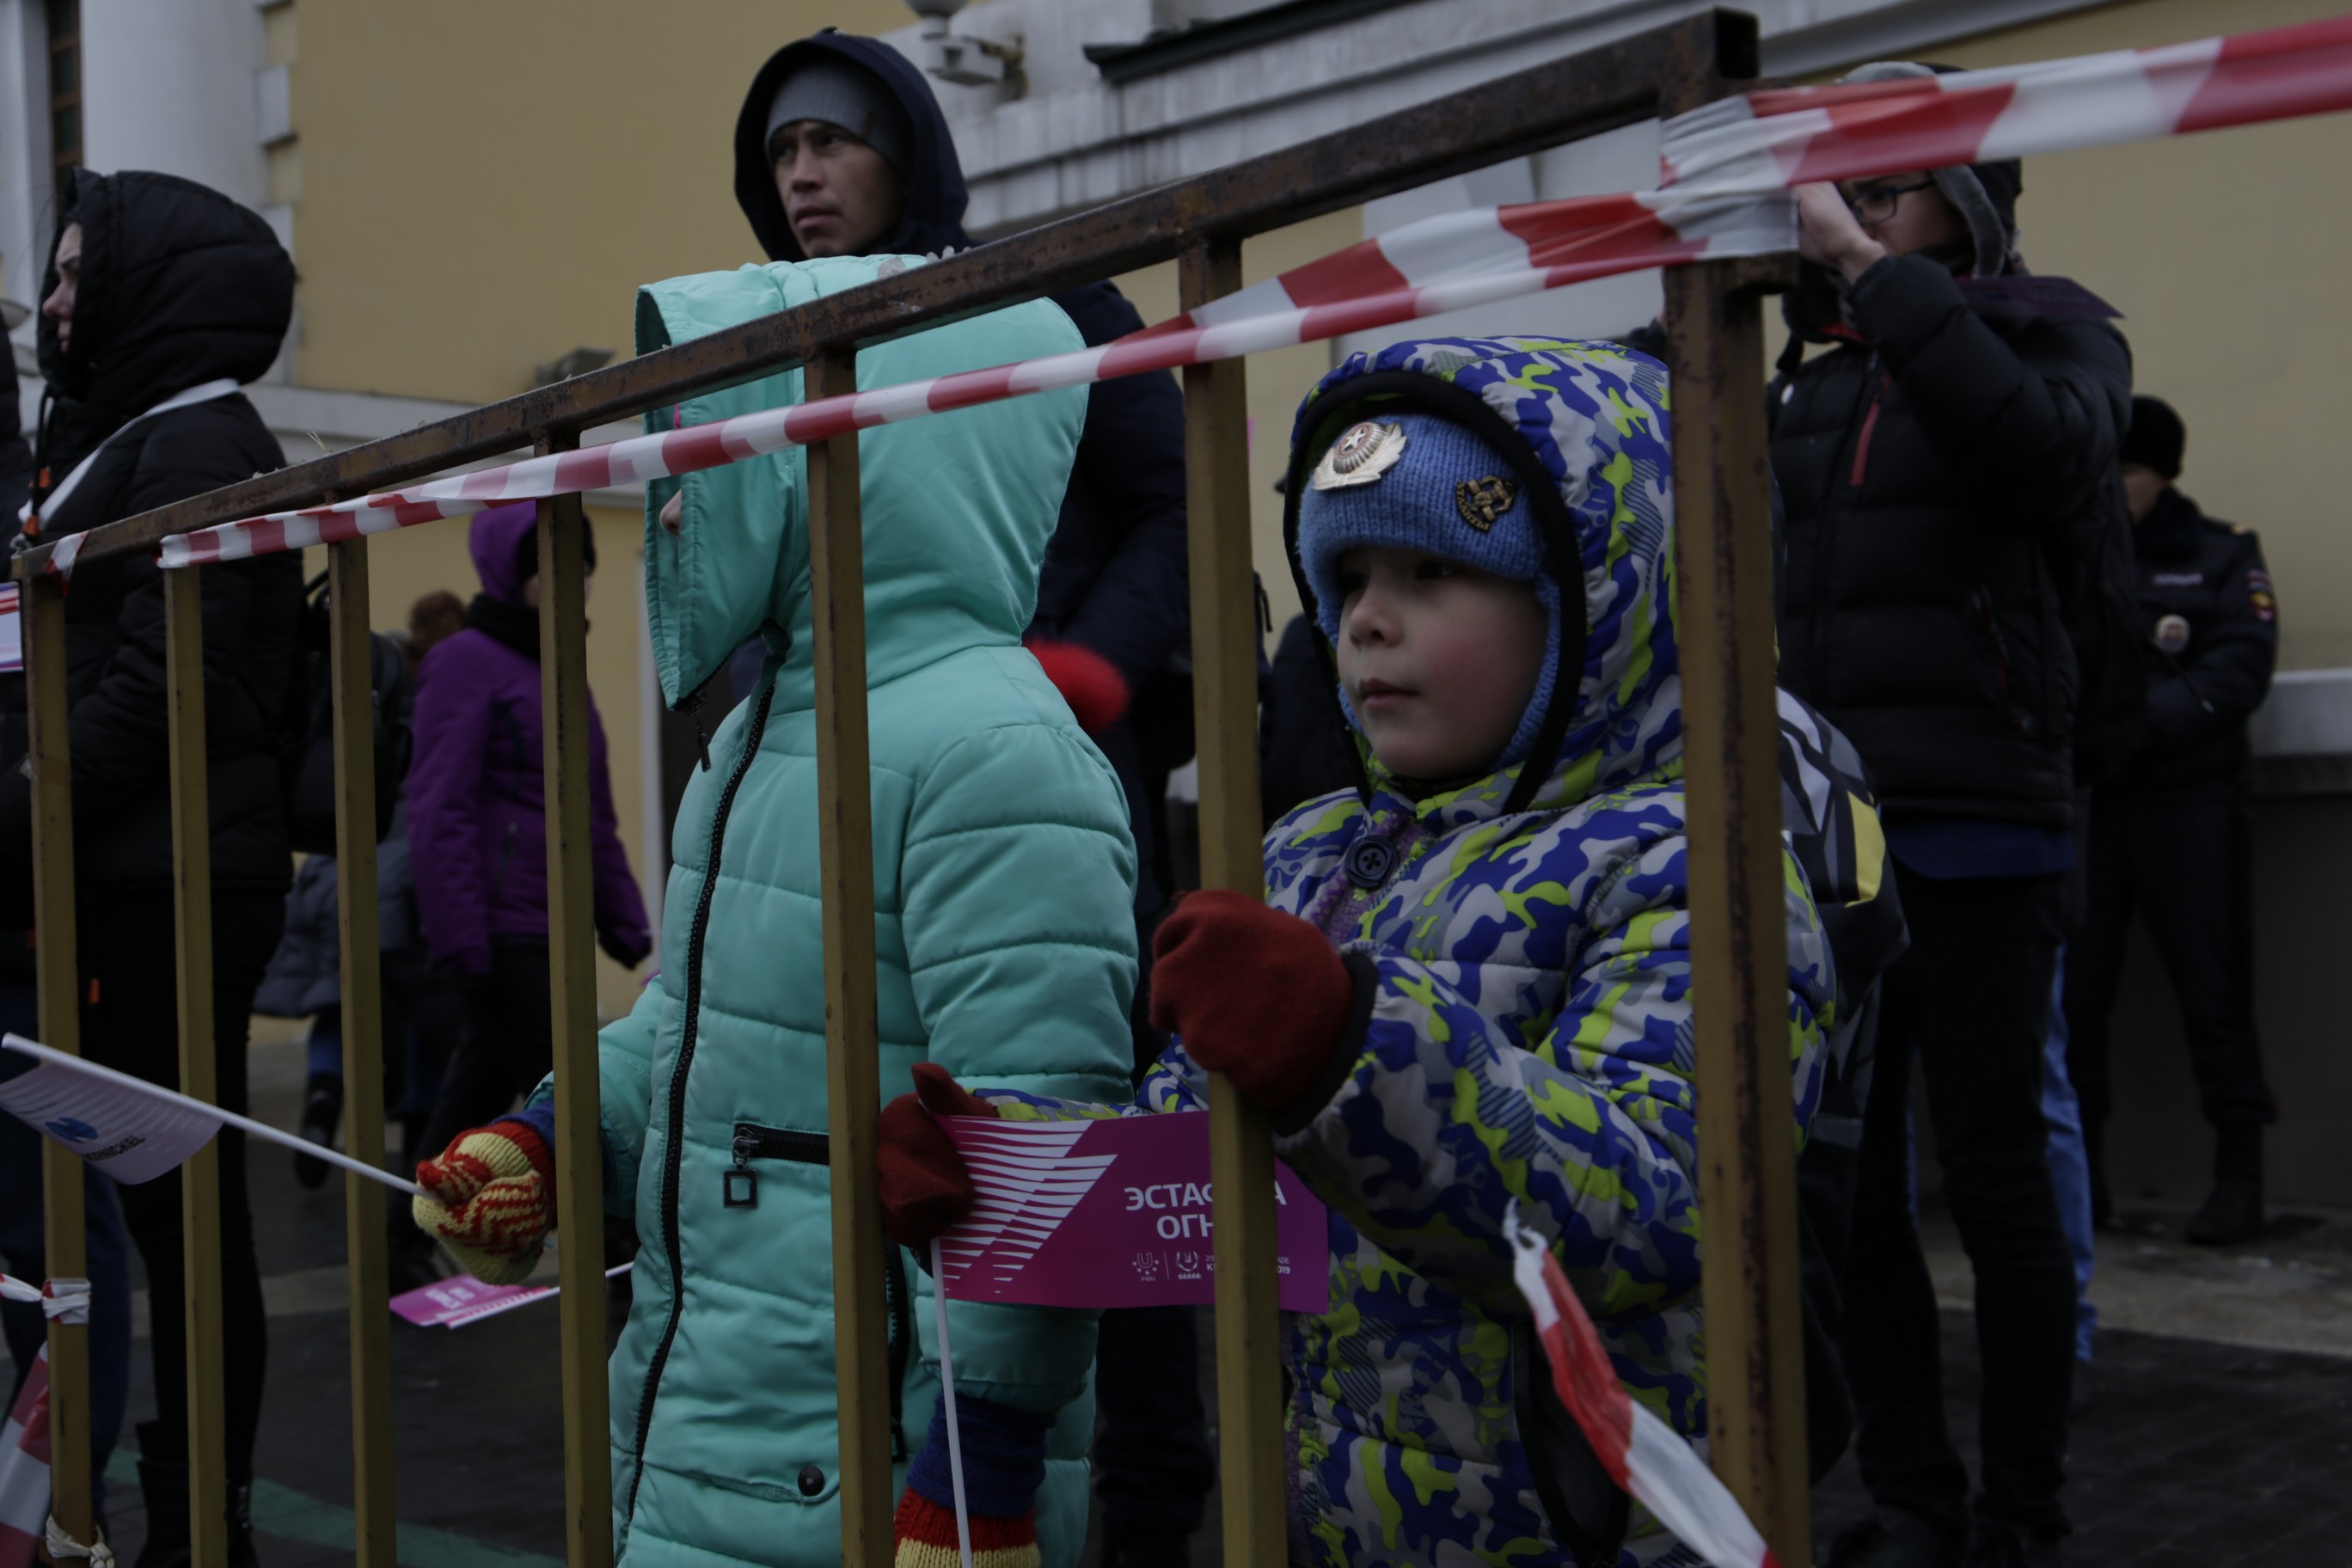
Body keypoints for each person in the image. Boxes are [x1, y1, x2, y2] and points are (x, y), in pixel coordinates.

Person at [882, 336, 1836, 1565]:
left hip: (1600, 1526)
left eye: (1435, 570)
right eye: (1349, 576)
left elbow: (1651, 1205)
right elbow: (1202, 1172)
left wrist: (1344, 1049)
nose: (1368, 620)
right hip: (1341, 1515)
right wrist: (1009, 1173)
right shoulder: (1314, 852)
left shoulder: (1692, 862)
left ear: (1600, 601)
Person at [411, 257, 1136, 1568]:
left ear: (852, 459)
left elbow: (1044, 1139)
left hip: (879, 1484)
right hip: (711, 1438)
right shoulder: (759, 732)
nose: (679, 498)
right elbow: (702, 1027)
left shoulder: (997, 749)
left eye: (724, 445)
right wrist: (548, 1140)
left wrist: (978, 1487)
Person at [729, 34, 1210, 1564]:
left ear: (909, 148)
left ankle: (1144, 1500)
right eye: (780, 151)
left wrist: (1091, 668)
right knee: (873, 1123)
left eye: (832, 140)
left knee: (1077, 1126)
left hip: (1039, 772)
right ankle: (891, 1477)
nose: (803, 174)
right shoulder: (775, 337)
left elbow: (1177, 498)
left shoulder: (1050, 297)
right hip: (848, 791)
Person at [1770, 60, 2134, 1568]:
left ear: (1969, 199)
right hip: (1836, 840)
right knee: (1856, 1196)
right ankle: (1915, 1500)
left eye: (1894, 180)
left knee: (1997, 1178)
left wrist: (1871, 273)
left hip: (1984, 819)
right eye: (1845, 182)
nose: (1859, 204)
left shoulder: (2056, 331)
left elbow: (2039, 454)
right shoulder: (1804, 377)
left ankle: (2023, 1512)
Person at [0, 168, 303, 1565]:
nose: (56, 301)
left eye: (77, 273)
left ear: (151, 288)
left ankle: (200, 1522)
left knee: (182, 1221)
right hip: (127, 876)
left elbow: (169, 685)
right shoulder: (134, 436)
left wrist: (20, 800)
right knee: (149, 1213)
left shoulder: (197, 442)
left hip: (169, 888)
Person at [2063, 395, 2277, 1246]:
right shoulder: (2071, 552)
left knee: (2214, 990)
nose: (2114, 487)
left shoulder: (2219, 555)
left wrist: (2134, 727)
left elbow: (2237, 670)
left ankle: (2240, 1178)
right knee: (2077, 999)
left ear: (2164, 474)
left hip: (2187, 804)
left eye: (2130, 471)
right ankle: (2082, 1184)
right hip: (2091, 804)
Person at [406, 503, 651, 1164]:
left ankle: (411, 1212)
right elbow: (438, 805)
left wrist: (624, 921)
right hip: (500, 929)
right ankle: (612, 1225)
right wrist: (461, 935)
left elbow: (591, 812)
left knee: (476, 1092)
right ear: (510, 573)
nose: (579, 579)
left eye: (586, 565)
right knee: (577, 1101)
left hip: (551, 925)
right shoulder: (464, 661)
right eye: (555, 564)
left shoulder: (561, 673)